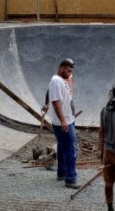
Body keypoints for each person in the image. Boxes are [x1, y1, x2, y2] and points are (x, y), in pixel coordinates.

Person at [48, 58, 80, 189]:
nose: (70, 73)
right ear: (61, 68)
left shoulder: (63, 80)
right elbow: (55, 102)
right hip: (64, 122)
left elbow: (69, 97)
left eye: (71, 71)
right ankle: (71, 179)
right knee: (71, 148)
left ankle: (61, 173)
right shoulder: (56, 81)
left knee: (62, 146)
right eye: (68, 70)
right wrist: (63, 121)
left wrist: (72, 111)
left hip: (68, 119)